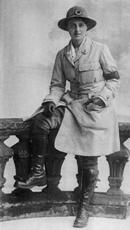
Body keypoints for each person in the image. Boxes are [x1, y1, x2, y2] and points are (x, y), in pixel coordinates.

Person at [17, 6, 120, 228]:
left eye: (81, 25)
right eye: (72, 25)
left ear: (87, 28)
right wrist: (51, 101)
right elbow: (56, 85)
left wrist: (101, 99)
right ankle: (38, 173)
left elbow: (113, 80)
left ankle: (85, 208)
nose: (76, 29)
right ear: (67, 29)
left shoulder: (100, 50)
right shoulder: (62, 55)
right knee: (41, 121)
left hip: (96, 110)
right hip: (72, 104)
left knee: (88, 162)